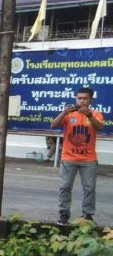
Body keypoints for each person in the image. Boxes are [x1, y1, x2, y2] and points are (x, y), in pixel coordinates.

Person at [50, 87, 105, 226]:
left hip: (89, 159)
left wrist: (89, 116)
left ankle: (87, 215)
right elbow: (53, 125)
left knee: (89, 188)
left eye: (85, 98)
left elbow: (100, 128)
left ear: (90, 100)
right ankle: (64, 214)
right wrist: (63, 112)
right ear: (76, 98)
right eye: (79, 98)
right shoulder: (69, 114)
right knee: (65, 187)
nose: (82, 101)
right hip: (68, 158)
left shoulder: (95, 114)